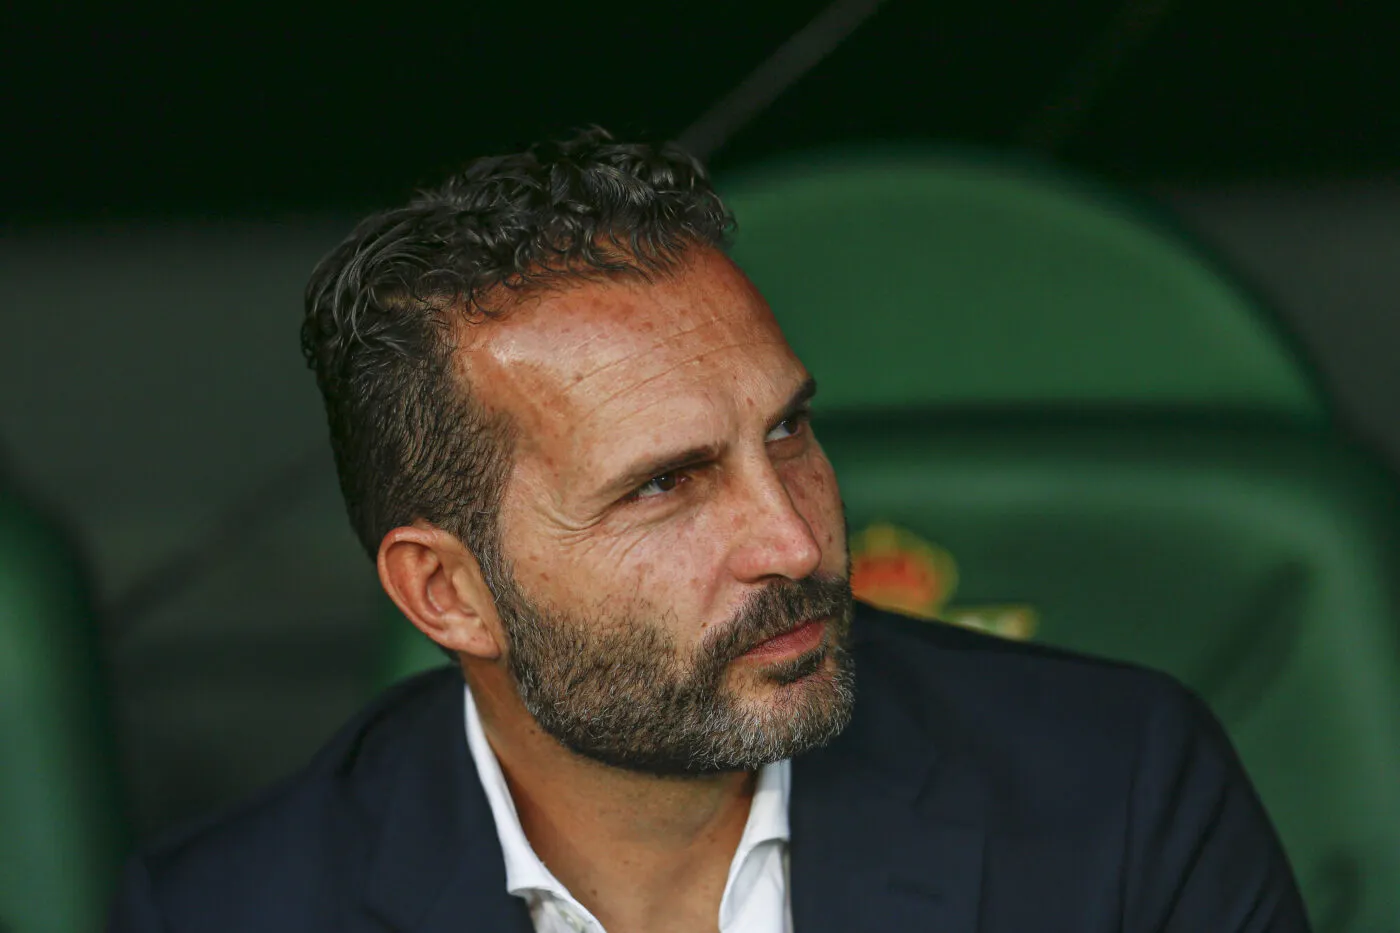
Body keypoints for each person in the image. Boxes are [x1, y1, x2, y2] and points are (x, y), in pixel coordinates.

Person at [107, 128, 1310, 933]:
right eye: (661, 487)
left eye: (786, 432)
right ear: (446, 593)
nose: (791, 542)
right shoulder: (230, 913)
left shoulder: (1116, 796)